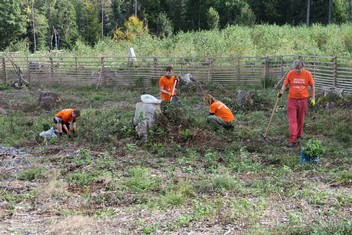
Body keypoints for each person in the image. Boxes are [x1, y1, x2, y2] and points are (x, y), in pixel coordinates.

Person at [278, 59, 315, 148]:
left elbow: (312, 85)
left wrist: (313, 97)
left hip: (303, 100)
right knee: (292, 120)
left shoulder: (307, 74)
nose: (298, 70)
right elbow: (285, 84)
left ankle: (298, 136)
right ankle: (293, 139)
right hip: (292, 100)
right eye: (296, 69)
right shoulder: (290, 73)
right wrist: (281, 92)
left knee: (300, 120)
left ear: (303, 67)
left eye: (299, 68)